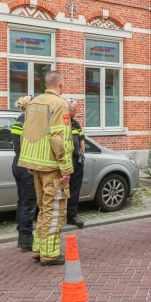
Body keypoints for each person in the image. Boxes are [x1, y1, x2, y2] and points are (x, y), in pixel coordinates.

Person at [17, 71, 74, 266]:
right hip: (53, 167)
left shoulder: (33, 103)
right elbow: (59, 139)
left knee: (43, 209)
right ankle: (50, 254)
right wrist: (66, 169)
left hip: (36, 165)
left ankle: (38, 249)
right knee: (54, 209)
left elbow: (26, 133)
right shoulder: (60, 104)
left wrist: (30, 162)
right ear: (61, 84)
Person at [11, 95, 37, 251]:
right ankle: (27, 241)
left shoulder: (18, 121)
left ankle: (21, 237)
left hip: (17, 164)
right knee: (29, 203)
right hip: (27, 166)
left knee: (22, 201)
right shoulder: (27, 123)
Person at [66, 98, 85, 229]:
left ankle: (71, 216)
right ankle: (59, 216)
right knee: (61, 191)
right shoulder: (60, 122)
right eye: (75, 108)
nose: (76, 111)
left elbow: (82, 139)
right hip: (64, 162)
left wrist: (81, 154)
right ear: (68, 108)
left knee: (74, 190)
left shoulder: (76, 123)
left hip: (76, 162)